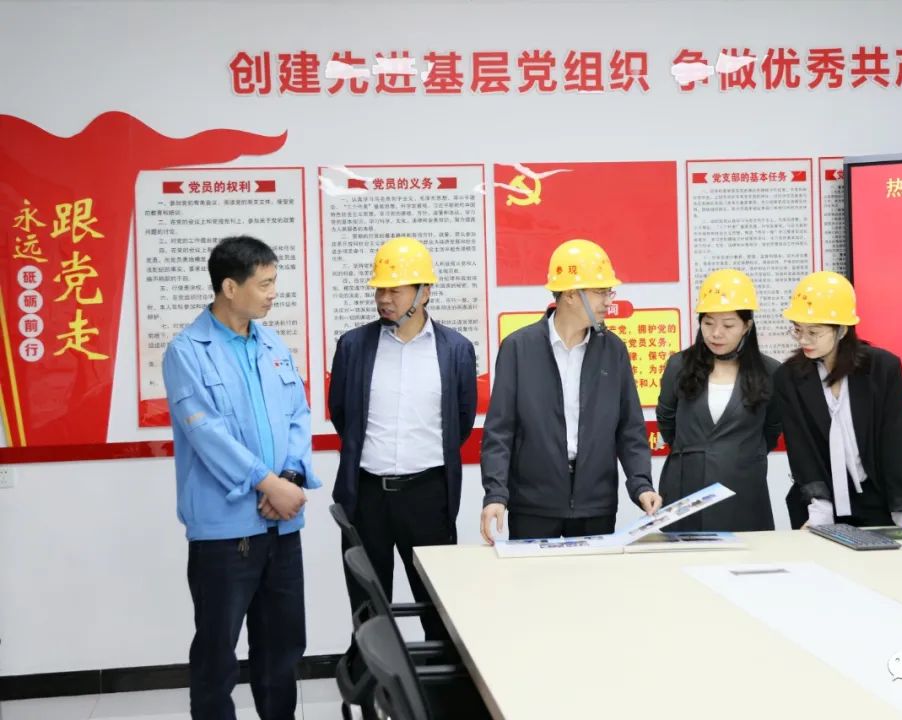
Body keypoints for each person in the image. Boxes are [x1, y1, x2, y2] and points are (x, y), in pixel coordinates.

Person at [163, 235, 319, 720]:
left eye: (275, 282)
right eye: (265, 283)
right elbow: (206, 434)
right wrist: (268, 484)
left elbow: (298, 414)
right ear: (230, 287)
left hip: (281, 528)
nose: (274, 293)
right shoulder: (187, 351)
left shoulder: (272, 344)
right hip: (225, 534)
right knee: (217, 655)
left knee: (282, 650)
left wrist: (289, 476)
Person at [328, 236, 477, 634]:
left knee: (436, 608)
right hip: (366, 497)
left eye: (395, 290)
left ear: (424, 292)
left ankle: (436, 676)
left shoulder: (456, 350)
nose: (384, 299)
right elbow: (342, 415)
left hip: (428, 497)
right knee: (369, 610)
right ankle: (370, 676)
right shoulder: (353, 346)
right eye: (380, 289)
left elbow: (460, 422)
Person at [480, 238, 662, 542]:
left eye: (609, 291)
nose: (608, 301)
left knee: (592, 576)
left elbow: (629, 428)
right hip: (534, 505)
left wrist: (641, 485)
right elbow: (500, 430)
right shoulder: (518, 348)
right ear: (570, 295)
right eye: (600, 292)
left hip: (596, 505)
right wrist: (495, 494)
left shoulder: (613, 351)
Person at [773, 271, 902, 529]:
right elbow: (801, 448)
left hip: (878, 500)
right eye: (798, 330)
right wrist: (820, 507)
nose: (804, 340)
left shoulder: (882, 368)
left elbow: (897, 440)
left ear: (842, 330)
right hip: (818, 502)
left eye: (814, 332)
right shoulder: (789, 377)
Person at [656, 269, 781, 531]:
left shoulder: (769, 372)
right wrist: (694, 454)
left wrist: (736, 455)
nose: (716, 333)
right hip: (685, 488)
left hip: (742, 489)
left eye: (728, 325)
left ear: (747, 326)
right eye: (708, 323)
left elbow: (771, 429)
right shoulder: (679, 365)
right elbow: (667, 420)